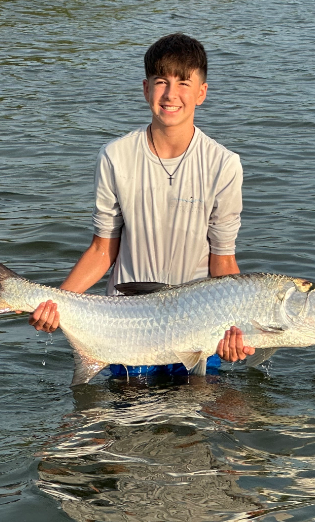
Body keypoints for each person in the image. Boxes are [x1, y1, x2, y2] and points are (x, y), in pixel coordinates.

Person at [29, 33, 253, 375]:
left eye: (183, 83)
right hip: (126, 326)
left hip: (199, 329)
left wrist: (242, 330)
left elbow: (222, 262)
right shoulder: (115, 156)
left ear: (202, 94)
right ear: (146, 89)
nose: (171, 94)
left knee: (213, 419)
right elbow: (102, 251)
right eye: (161, 82)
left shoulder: (224, 164)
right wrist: (54, 303)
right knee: (114, 423)